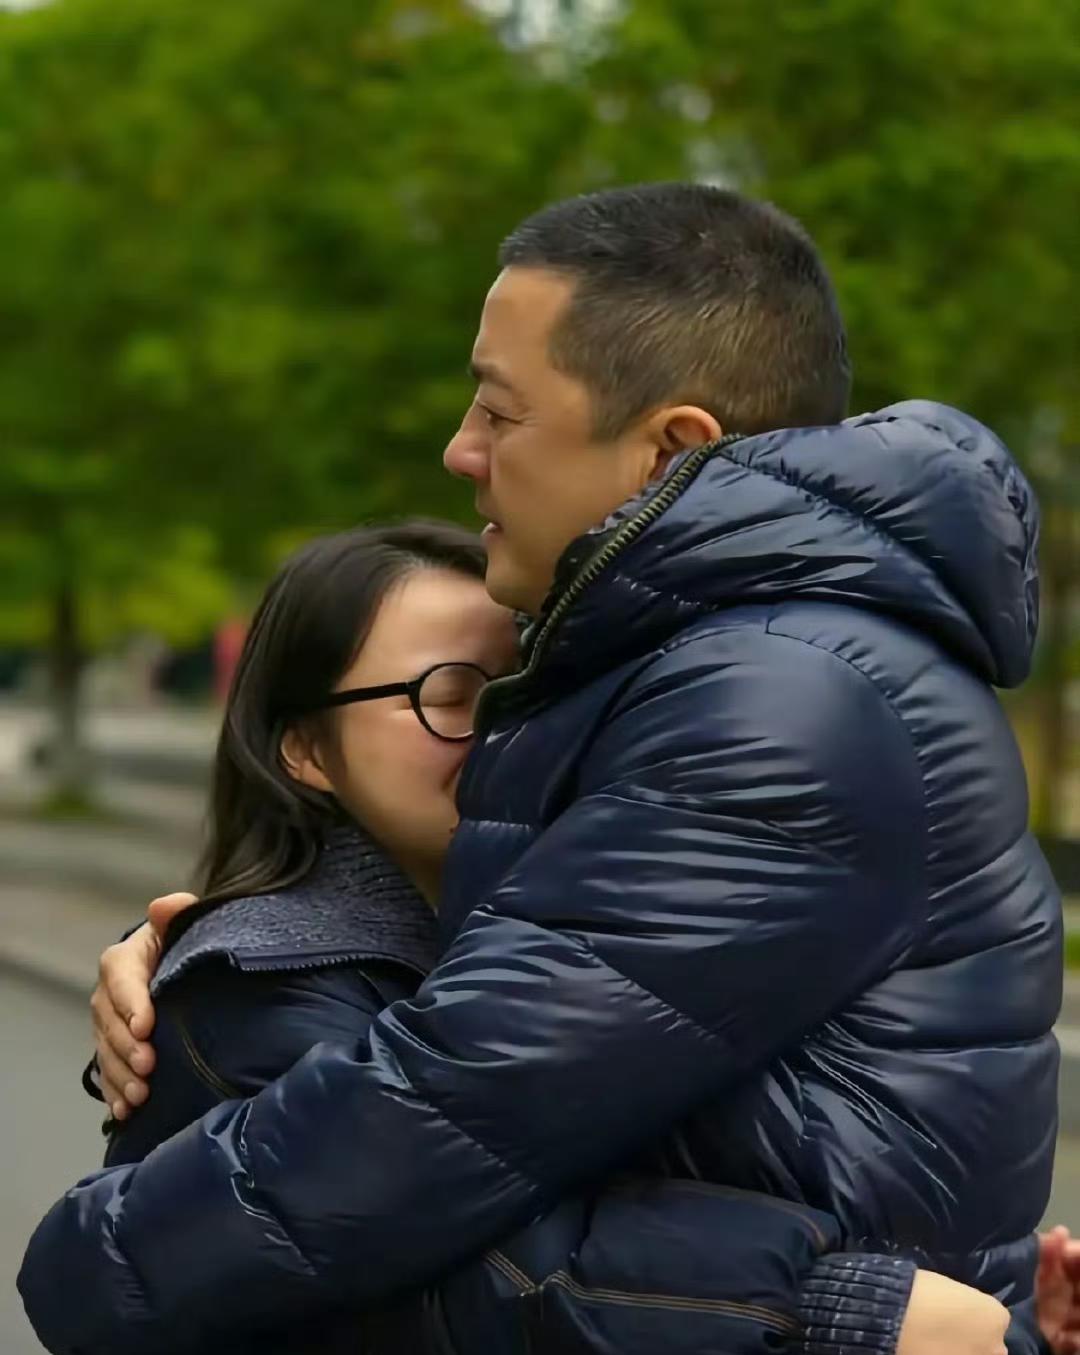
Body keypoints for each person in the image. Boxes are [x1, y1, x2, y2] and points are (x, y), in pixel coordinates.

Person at [19, 183, 1060, 1355]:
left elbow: (450, 1112)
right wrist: (227, 947)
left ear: (671, 450)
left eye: (500, 411)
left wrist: (98, 1257)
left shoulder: (778, 698)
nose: (460, 450)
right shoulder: (719, 661)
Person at [47, 516, 1005, 1355]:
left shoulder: (587, 940)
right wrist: (827, 1310)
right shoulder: (263, 985)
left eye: (524, 686)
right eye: (451, 693)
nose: (504, 728)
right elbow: (466, 1280)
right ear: (305, 748)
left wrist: (1007, 1308)